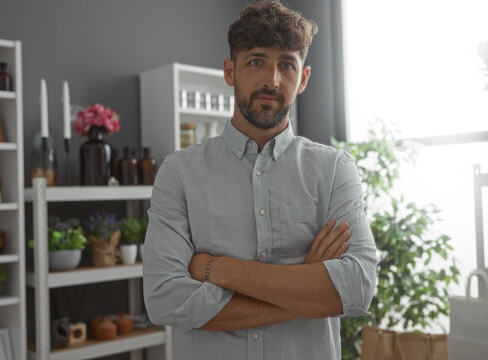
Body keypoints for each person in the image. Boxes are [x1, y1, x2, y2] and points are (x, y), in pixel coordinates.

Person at [143, 1, 378, 359]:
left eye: (287, 64)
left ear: (303, 79)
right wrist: (308, 288)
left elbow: (358, 287)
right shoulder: (178, 173)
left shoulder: (335, 169)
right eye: (256, 61)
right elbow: (164, 299)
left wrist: (216, 269)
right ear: (229, 71)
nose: (272, 79)